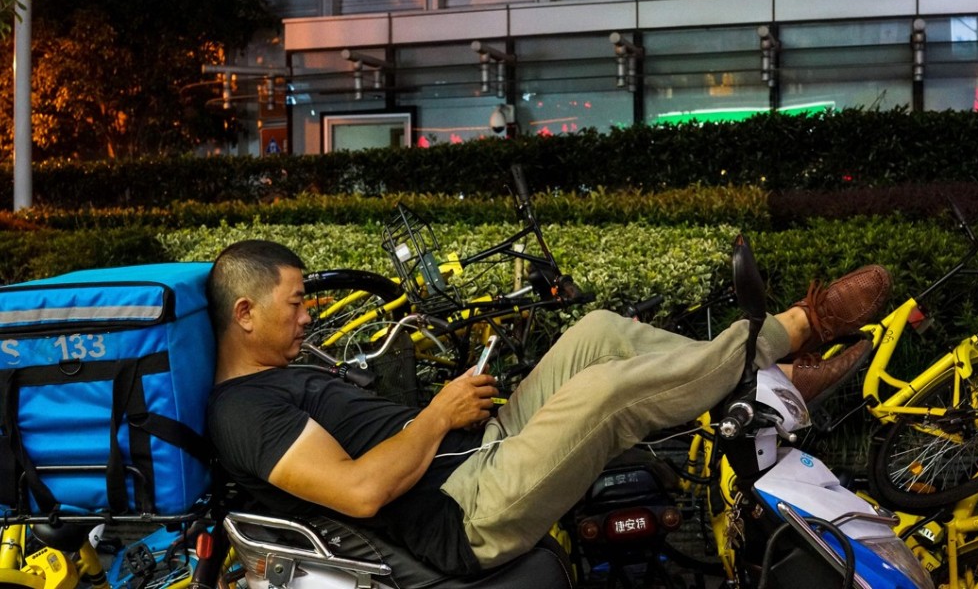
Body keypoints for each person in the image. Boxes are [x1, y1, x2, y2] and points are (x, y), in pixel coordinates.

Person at [205, 239, 891, 576]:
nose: (308, 315)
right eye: (296, 302)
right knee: (607, 392)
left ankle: (766, 376)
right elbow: (358, 491)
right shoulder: (242, 412)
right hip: (464, 512)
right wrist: (438, 413)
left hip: (477, 452)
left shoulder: (286, 373)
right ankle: (797, 330)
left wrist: (449, 418)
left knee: (599, 332)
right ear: (244, 312)